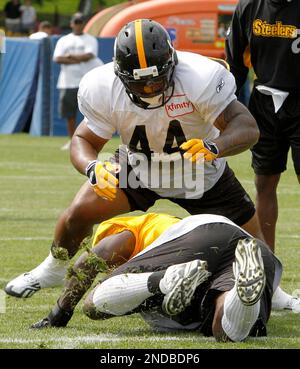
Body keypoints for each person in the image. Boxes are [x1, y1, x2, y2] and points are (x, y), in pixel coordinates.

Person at [4, 18, 294, 310]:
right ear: (120, 75)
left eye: (157, 79)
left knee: (251, 243)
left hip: (198, 171)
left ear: (172, 63)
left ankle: (274, 290)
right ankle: (55, 266)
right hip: (138, 167)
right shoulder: (101, 86)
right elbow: (84, 139)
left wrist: (214, 146)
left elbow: (247, 127)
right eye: (140, 82)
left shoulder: (199, 76)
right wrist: (93, 167)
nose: (150, 89)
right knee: (77, 214)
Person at [32, 214, 283, 342]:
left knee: (94, 304)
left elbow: (95, 257)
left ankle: (165, 280)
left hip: (198, 238)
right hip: (254, 249)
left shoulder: (134, 229)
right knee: (225, 330)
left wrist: (58, 314)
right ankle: (241, 296)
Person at [225, 0, 300, 309]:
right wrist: (223, 108)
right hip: (264, 102)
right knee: (263, 184)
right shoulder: (249, 7)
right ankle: (269, 278)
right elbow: (235, 64)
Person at [26, 213, 180, 327]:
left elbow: (86, 263)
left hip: (175, 248)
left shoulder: (125, 234)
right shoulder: (156, 226)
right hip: (192, 237)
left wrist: (58, 314)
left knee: (97, 301)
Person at [53, 12, 103, 150]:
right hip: (67, 82)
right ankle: (72, 140)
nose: (78, 24)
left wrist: (69, 56)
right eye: (76, 22)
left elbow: (89, 56)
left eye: (81, 22)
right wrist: (78, 58)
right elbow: (57, 58)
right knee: (69, 114)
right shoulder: (63, 40)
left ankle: (89, 140)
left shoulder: (90, 39)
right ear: (71, 23)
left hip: (86, 82)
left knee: (91, 112)